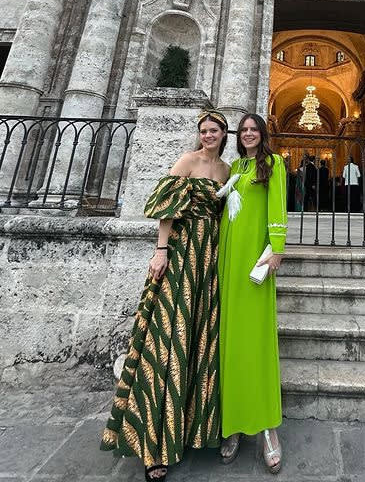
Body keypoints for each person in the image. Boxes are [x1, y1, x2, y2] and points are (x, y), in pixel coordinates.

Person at [100, 111, 230, 481]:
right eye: (204, 130)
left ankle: (188, 429)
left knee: (198, 337)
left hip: (210, 258)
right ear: (199, 134)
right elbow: (165, 209)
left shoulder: (225, 169)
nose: (208, 135)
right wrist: (161, 250)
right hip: (182, 251)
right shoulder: (187, 161)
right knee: (169, 336)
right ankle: (153, 443)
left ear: (224, 134)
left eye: (215, 130)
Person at [218, 113, 288, 474]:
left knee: (257, 344)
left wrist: (276, 248)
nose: (248, 134)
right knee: (230, 343)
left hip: (255, 261)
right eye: (243, 130)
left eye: (253, 129)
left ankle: (267, 430)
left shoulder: (273, 163)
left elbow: (277, 207)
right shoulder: (235, 166)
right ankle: (233, 425)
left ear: (262, 133)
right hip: (228, 259)